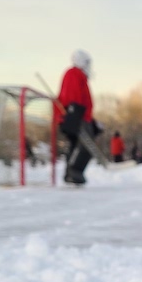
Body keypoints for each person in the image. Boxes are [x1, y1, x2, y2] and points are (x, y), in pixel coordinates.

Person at [56, 49, 99, 185]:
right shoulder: (73, 73)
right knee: (86, 145)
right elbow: (73, 96)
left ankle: (70, 174)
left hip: (81, 115)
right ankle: (74, 171)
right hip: (76, 115)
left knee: (76, 145)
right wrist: (76, 114)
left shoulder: (80, 76)